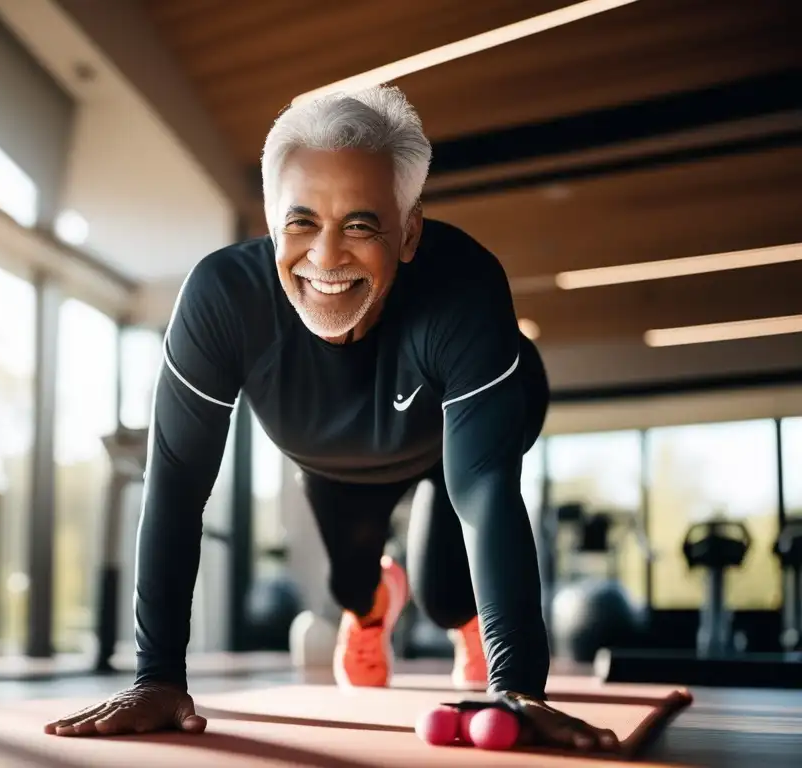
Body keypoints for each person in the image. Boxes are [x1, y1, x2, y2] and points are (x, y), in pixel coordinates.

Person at [45, 86, 618, 752]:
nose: (326, 256)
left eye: (360, 225)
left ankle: (466, 625)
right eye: (302, 222)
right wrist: (156, 678)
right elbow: (176, 486)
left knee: (447, 595)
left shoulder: (463, 287)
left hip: (455, 435)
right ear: (269, 217)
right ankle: (375, 607)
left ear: (407, 232)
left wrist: (518, 685)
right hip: (330, 451)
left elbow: (486, 494)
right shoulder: (221, 301)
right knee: (351, 586)